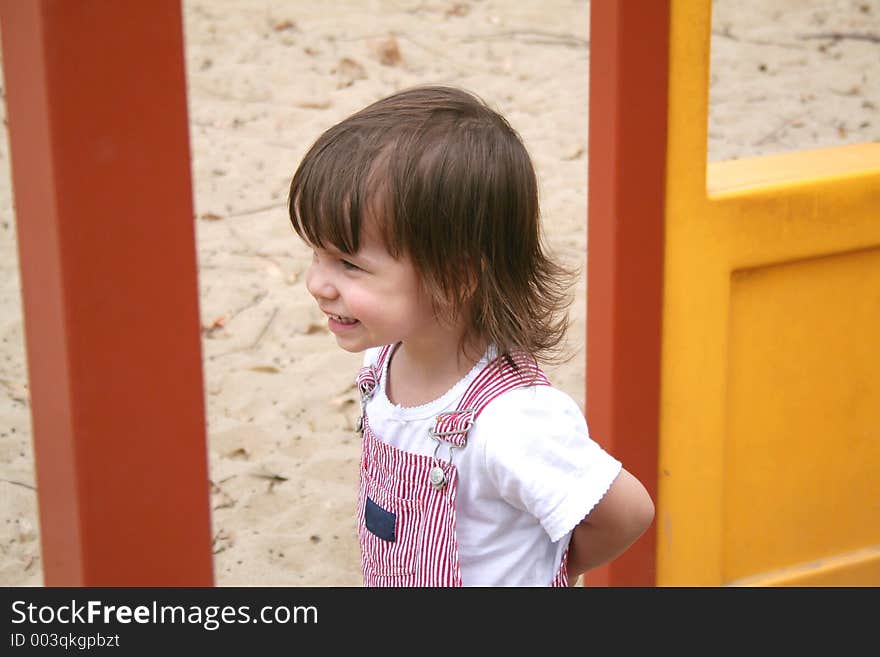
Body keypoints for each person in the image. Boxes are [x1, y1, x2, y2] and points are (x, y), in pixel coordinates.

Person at [287, 85, 654, 586]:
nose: (317, 284)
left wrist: (540, 569)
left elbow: (626, 513)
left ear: (454, 277)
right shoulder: (383, 363)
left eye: (349, 264)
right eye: (316, 254)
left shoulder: (512, 421)